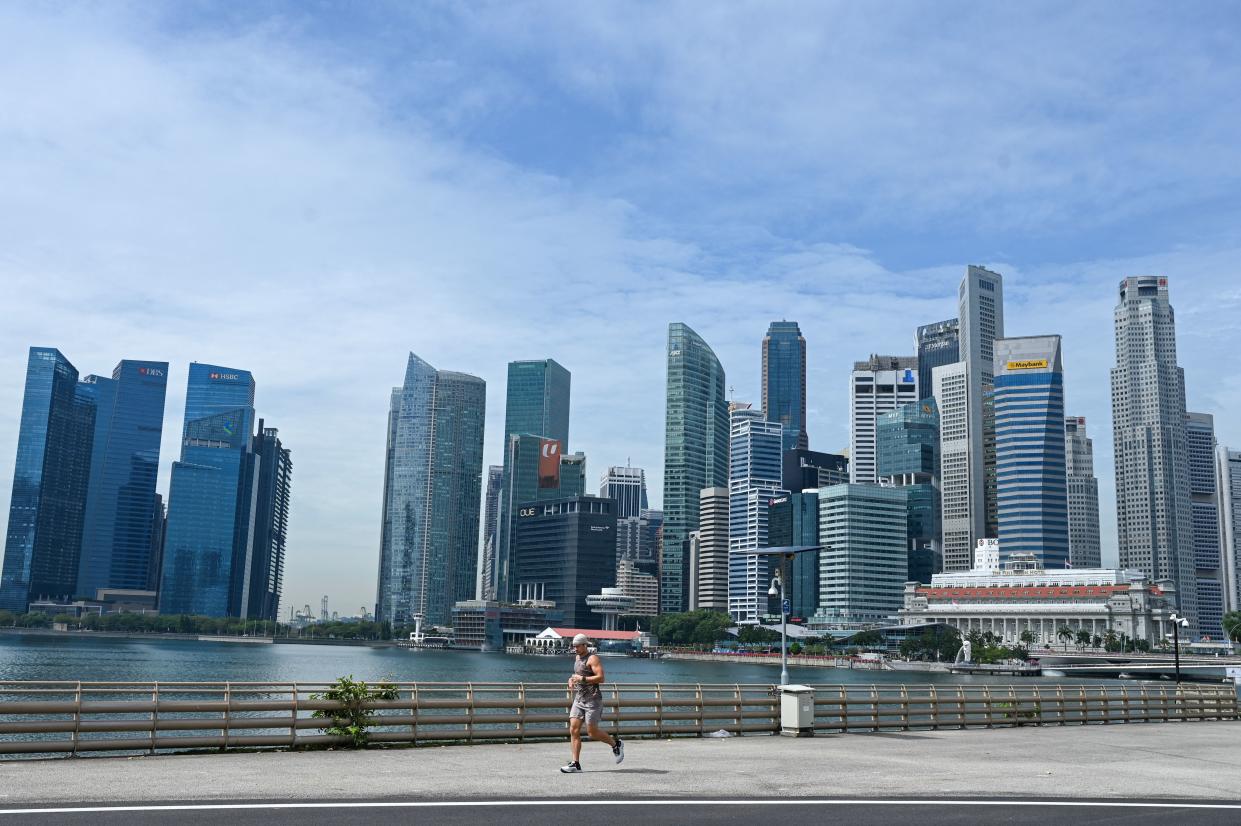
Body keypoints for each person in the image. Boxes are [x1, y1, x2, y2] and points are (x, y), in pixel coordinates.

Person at [560, 633, 624, 773]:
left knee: (592, 732)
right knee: (573, 729)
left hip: (593, 700)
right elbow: (577, 674)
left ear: (585, 645)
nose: (575, 649)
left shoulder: (592, 659)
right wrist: (571, 680)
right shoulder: (577, 658)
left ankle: (616, 744)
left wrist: (582, 679)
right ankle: (575, 764)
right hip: (579, 699)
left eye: (577, 646)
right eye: (574, 646)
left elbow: (601, 678)